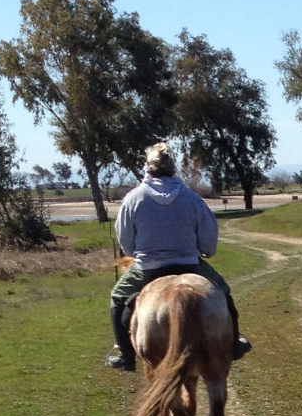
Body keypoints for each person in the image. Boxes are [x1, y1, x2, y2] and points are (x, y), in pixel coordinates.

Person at [105, 142, 251, 371]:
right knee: (223, 291)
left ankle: (125, 355)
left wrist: (141, 253)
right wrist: (203, 251)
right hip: (189, 265)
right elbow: (209, 241)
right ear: (173, 168)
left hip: (148, 267)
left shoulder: (133, 199)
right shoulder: (191, 198)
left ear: (147, 168)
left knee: (117, 298)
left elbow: (126, 241)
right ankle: (233, 344)